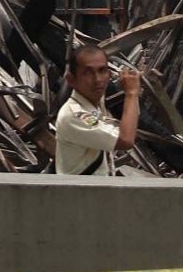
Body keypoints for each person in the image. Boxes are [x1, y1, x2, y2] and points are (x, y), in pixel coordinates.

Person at [54, 42, 141, 176]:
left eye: (102, 71)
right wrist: (131, 94)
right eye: (88, 73)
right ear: (71, 79)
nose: (97, 79)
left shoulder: (93, 103)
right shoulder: (76, 115)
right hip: (82, 194)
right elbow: (125, 140)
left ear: (109, 74)